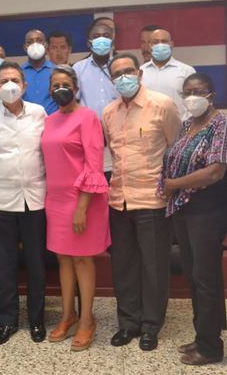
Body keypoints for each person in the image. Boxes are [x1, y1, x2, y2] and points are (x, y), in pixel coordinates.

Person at [158, 73, 227, 365]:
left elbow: (216, 170)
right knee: (194, 275)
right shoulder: (187, 125)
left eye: (199, 91)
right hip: (185, 208)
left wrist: (173, 185)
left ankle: (211, 346)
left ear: (211, 94)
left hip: (208, 208)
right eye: (188, 91)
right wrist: (168, 185)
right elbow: (174, 160)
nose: (192, 96)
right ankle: (202, 335)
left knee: (206, 277)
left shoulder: (223, 124)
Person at [103, 53, 181, 351]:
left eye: (128, 71)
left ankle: (150, 325)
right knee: (123, 266)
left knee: (154, 267)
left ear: (139, 73)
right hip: (118, 201)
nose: (123, 77)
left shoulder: (162, 105)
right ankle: (128, 323)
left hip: (152, 200)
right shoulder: (109, 112)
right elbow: (114, 153)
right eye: (117, 73)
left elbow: (176, 150)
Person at [0, 61, 47, 345]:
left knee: (36, 264)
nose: (9, 85)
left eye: (15, 79)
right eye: (4, 81)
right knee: (4, 265)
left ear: (25, 85)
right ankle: (7, 321)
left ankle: (37, 321)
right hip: (0, 201)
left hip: (35, 200)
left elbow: (47, 153)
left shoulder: (39, 113)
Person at [41, 65, 110, 352]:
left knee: (82, 260)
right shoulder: (49, 120)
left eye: (65, 84)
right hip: (55, 201)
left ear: (76, 87)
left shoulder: (88, 117)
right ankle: (67, 316)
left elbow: (94, 165)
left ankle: (86, 321)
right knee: (64, 260)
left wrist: (82, 207)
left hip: (83, 199)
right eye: (55, 85)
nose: (60, 89)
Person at [73, 22, 119, 180]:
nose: (101, 40)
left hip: (118, 135)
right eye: (96, 36)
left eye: (106, 36)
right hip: (89, 137)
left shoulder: (121, 67)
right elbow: (74, 104)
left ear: (113, 40)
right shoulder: (78, 69)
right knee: (92, 179)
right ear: (88, 42)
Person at [141, 28, 196, 121]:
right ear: (150, 45)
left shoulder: (186, 71)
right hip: (148, 130)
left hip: (180, 130)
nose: (160, 45)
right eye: (155, 42)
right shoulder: (140, 71)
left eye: (164, 41)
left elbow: (193, 102)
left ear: (172, 44)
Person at [22, 29, 57, 114]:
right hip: (25, 124)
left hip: (53, 123)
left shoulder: (57, 71)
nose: (35, 44)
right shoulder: (18, 73)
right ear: (25, 47)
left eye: (39, 41)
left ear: (46, 45)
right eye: (30, 42)